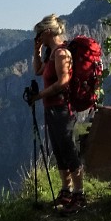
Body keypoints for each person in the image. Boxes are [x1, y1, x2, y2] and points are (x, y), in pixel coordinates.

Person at [28, 14, 85, 210]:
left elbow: (63, 82)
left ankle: (79, 193)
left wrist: (40, 95)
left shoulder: (61, 54)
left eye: (39, 34)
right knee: (59, 150)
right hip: (52, 108)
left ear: (47, 32)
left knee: (68, 149)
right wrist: (37, 51)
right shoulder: (51, 54)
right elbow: (38, 71)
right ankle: (66, 191)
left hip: (62, 109)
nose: (37, 37)